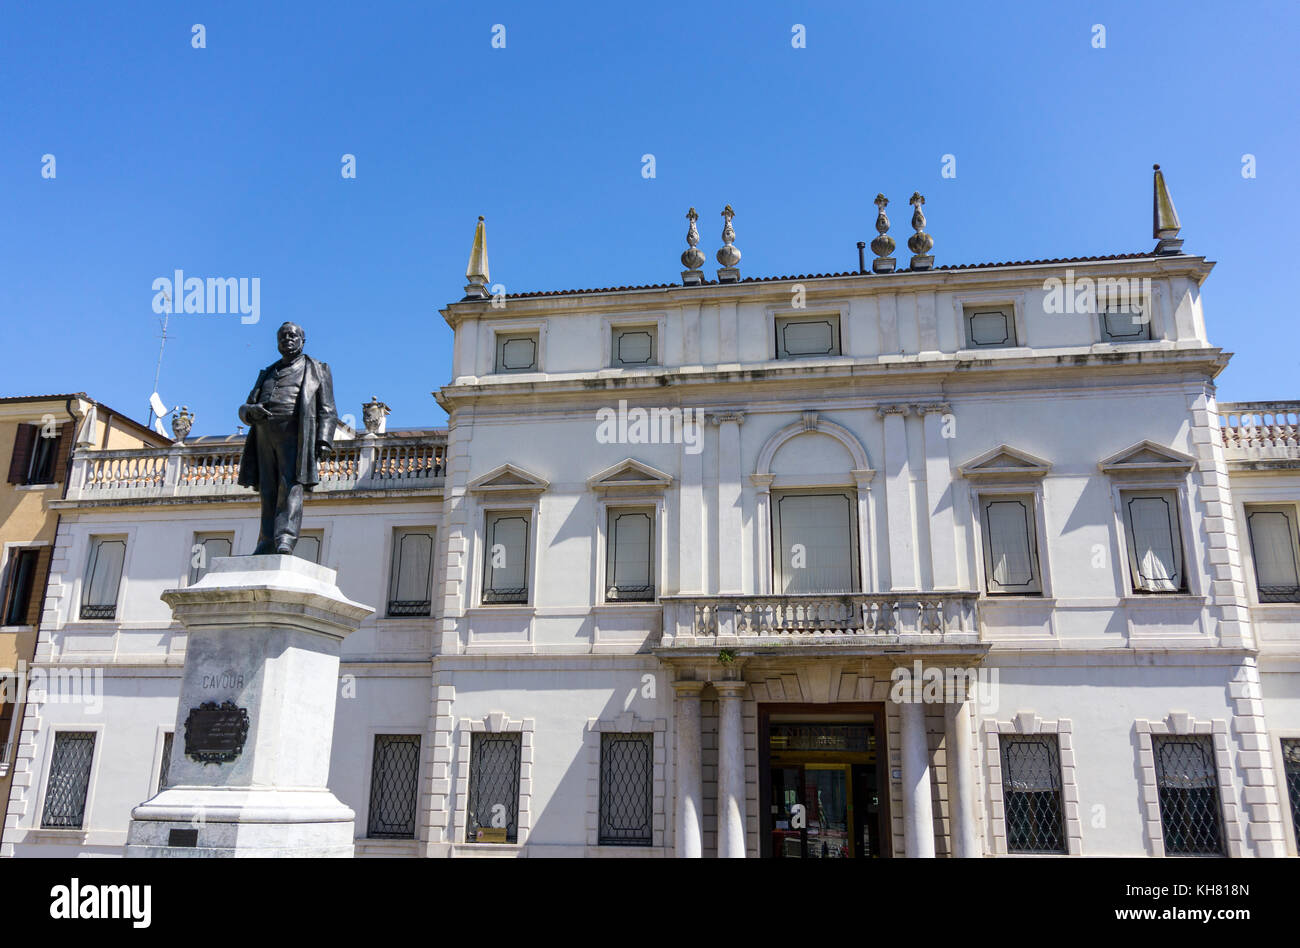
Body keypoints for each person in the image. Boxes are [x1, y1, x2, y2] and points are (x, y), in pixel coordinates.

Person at [236, 322, 337, 554]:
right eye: (282, 336)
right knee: (268, 489)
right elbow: (245, 407)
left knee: (290, 485)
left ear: (303, 340)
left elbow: (328, 409)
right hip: (263, 434)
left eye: (292, 335)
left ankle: (285, 538)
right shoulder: (267, 372)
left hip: (297, 433)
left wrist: (323, 440)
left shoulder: (317, 369)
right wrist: (251, 411)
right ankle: (266, 540)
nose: (287, 339)